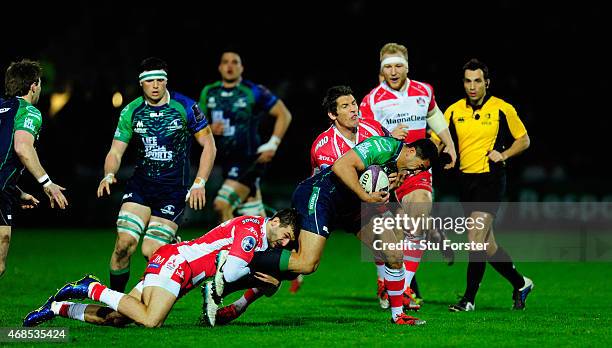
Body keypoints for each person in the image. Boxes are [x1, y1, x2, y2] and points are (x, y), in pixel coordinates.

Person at [209, 135, 440, 325]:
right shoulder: (382, 146)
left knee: (393, 253)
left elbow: (374, 187)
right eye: (419, 167)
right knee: (305, 264)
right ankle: (235, 262)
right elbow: (341, 165)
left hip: (351, 207)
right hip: (321, 196)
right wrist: (366, 196)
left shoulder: (397, 167)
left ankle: (398, 315)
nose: (416, 172)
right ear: (410, 151)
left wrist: (384, 196)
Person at [22, 209, 299, 328]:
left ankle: (58, 307)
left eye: (290, 241)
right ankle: (89, 287)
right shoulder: (253, 231)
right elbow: (233, 271)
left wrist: (264, 285)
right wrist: (258, 281)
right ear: (274, 221)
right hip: (178, 264)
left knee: (118, 318)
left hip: (177, 264)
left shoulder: (260, 236)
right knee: (151, 320)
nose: (285, 243)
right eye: (286, 235)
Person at [96, 57, 216, 292]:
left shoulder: (186, 107)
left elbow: (209, 145)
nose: (155, 85)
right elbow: (115, 151)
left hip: (173, 191)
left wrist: (199, 182)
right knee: (123, 245)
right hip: (141, 187)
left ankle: (174, 256)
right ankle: (117, 302)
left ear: (166, 81)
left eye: (160, 80)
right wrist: (108, 174)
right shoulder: (131, 111)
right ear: (141, 83)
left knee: (151, 252)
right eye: (150, 80)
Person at [360, 42, 457, 308]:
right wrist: (389, 136)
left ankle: (400, 289)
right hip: (386, 171)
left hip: (416, 169)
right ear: (382, 69)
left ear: (407, 67)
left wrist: (449, 143)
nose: (393, 71)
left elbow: (435, 116)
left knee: (418, 217)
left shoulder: (423, 91)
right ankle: (385, 282)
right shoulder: (372, 100)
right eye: (388, 67)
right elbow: (365, 138)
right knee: (386, 232)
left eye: (398, 66)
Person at [431, 58, 533, 311]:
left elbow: (524, 140)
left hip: (491, 178)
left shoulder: (502, 109)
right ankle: (521, 283)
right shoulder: (453, 110)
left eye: (478, 81)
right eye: (468, 81)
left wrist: (504, 154)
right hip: (466, 181)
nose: (472, 86)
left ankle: (468, 299)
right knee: (487, 245)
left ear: (487, 82)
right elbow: (436, 142)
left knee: (474, 238)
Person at [199, 51, 292, 223]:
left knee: (221, 205)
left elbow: (284, 114)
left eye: (235, 62)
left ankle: (228, 249)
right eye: (225, 62)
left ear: (241, 68)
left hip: (249, 159)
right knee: (253, 216)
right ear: (220, 67)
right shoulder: (209, 92)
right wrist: (209, 127)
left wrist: (273, 143)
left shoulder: (253, 91)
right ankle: (272, 246)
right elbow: (197, 124)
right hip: (225, 160)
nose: (230, 66)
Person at [0, 59, 69, 278]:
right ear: (33, 85)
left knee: (3, 237)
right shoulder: (28, 111)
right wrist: (47, 184)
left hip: (4, 188)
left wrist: (17, 192)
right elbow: (22, 147)